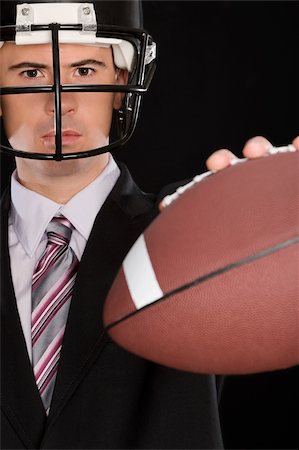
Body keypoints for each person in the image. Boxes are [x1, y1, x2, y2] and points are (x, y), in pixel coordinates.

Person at [0, 1, 298, 449]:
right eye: (30, 72)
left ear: (123, 82)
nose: (59, 101)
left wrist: (274, 223)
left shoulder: (198, 234)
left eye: (84, 71)